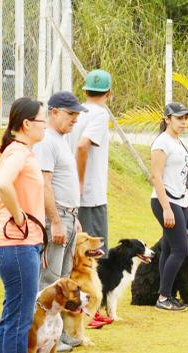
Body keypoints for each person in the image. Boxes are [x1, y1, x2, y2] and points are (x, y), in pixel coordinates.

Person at [0, 97, 51, 353]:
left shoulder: (22, 152)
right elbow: (2, 184)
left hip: (16, 246)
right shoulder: (18, 153)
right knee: (19, 317)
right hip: (17, 245)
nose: (46, 126)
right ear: (27, 124)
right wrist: (19, 215)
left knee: (12, 314)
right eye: (42, 120)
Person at [32, 92, 88, 352]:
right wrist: (55, 220)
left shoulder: (61, 140)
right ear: (54, 112)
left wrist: (73, 218)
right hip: (58, 216)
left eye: (77, 115)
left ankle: (58, 335)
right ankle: (42, 336)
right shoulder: (47, 142)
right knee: (51, 280)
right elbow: (45, 184)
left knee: (64, 280)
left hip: (69, 215)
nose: (74, 119)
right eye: (70, 114)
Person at [150, 102, 188, 312]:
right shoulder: (162, 142)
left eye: (186, 118)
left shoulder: (176, 142)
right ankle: (164, 296)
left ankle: (166, 294)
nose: (183, 122)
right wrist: (166, 207)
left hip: (180, 200)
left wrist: (186, 198)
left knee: (169, 248)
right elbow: (156, 176)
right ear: (167, 119)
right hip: (166, 201)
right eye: (179, 118)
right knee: (181, 248)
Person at [72, 69, 113, 253]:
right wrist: (80, 182)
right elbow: (82, 146)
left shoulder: (76, 113)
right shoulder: (100, 114)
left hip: (71, 195)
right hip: (91, 197)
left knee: (75, 252)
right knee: (94, 254)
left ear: (85, 91)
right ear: (109, 93)